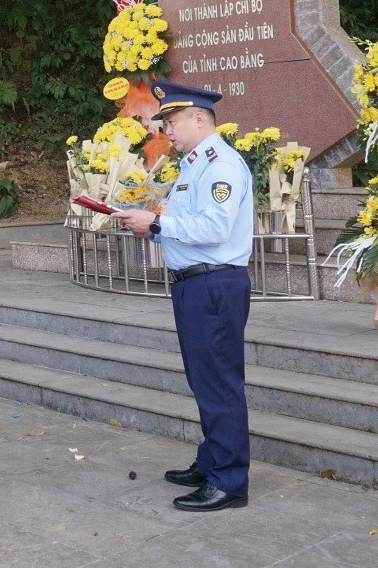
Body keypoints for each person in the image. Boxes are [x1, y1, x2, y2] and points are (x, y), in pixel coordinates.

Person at [117, 81, 254, 512]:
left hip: (213, 284)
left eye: (173, 121)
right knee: (205, 380)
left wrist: (157, 224)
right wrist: (151, 225)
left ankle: (228, 481)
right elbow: (187, 222)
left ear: (199, 119)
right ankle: (212, 460)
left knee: (218, 384)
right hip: (196, 283)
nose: (167, 131)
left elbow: (214, 228)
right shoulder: (195, 165)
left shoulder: (220, 165)